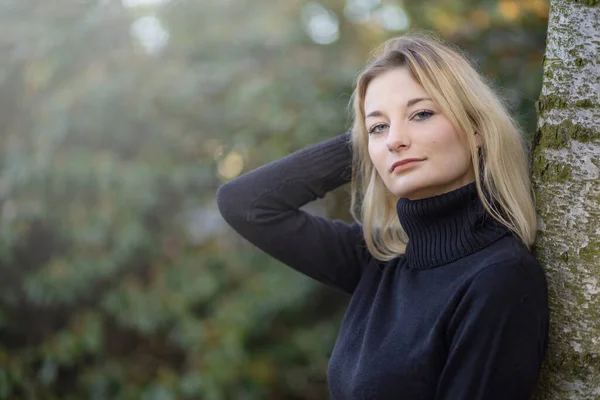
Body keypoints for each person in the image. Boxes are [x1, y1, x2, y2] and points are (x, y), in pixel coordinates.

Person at [216, 31, 549, 400]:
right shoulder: (380, 258)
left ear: (476, 129)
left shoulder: (500, 279)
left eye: (421, 113)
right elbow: (245, 203)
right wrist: (371, 142)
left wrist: (383, 131)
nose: (394, 140)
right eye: (379, 127)